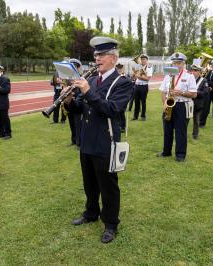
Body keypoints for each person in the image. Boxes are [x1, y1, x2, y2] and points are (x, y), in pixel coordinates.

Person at [65, 36, 133, 243]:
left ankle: (111, 223)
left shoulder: (123, 82)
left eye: (101, 55)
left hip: (106, 142)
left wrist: (86, 92)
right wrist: (68, 99)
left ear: (113, 58)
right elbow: (79, 107)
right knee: (90, 182)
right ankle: (91, 212)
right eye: (95, 55)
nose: (97, 58)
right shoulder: (92, 79)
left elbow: (111, 109)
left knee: (108, 186)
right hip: (86, 139)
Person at [157, 52, 197, 162]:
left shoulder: (189, 76)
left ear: (183, 63)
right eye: (174, 63)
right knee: (167, 130)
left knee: (180, 131)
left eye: (179, 63)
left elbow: (194, 94)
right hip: (169, 104)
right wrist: (164, 103)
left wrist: (181, 92)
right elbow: (163, 91)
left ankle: (180, 155)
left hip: (181, 105)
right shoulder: (168, 75)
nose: (176, 65)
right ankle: (166, 152)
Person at [189, 64, 209, 139]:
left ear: (199, 72)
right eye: (192, 70)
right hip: (188, 102)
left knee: (196, 121)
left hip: (197, 104)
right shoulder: (189, 79)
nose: (193, 72)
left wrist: (195, 92)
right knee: (185, 119)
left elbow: (205, 92)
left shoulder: (203, 80)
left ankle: (195, 135)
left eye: (195, 71)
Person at [132, 54, 153, 121]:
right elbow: (134, 76)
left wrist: (138, 76)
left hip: (144, 86)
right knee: (136, 102)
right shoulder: (139, 66)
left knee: (143, 102)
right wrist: (135, 74)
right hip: (137, 85)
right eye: (142, 59)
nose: (142, 60)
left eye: (144, 59)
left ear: (147, 60)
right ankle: (135, 116)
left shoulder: (149, 67)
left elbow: (147, 79)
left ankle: (143, 116)